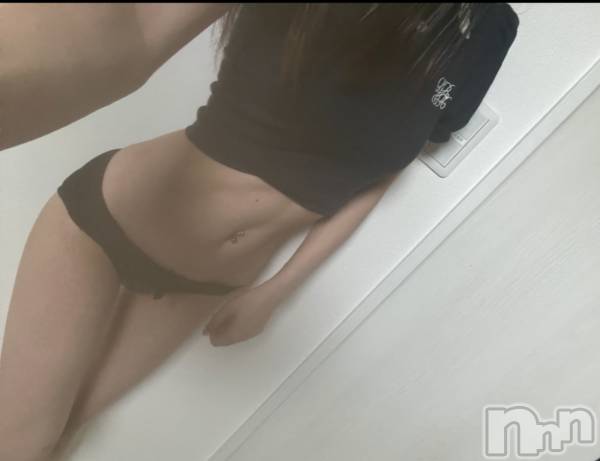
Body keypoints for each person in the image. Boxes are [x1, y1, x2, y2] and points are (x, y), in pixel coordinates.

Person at [0, 3, 519, 459]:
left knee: (60, 434)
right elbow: (128, 33)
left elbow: (379, 177)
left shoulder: (490, 28)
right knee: (21, 443)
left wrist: (278, 289)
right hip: (109, 222)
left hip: (205, 285)